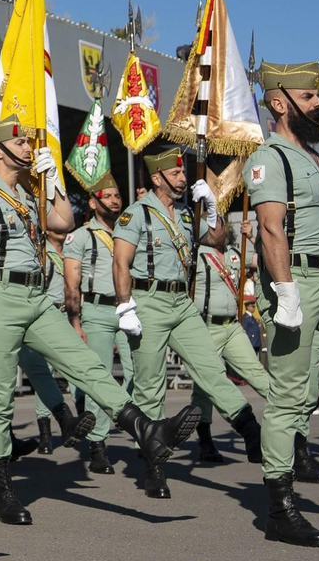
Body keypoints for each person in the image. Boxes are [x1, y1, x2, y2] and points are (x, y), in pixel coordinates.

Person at [0, 117, 198, 525]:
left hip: (34, 297)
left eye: (28, 141)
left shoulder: (26, 194)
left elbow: (63, 223)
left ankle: (145, 430)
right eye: (20, 142)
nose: (29, 147)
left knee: (87, 364)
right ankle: (2, 489)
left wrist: (54, 181)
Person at [111, 147, 262, 500]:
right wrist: (125, 305)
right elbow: (120, 262)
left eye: (183, 173)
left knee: (211, 368)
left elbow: (217, 239)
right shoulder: (136, 214)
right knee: (150, 386)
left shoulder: (184, 213)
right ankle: (155, 468)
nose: (183, 179)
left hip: (181, 302)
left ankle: (250, 429)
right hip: (148, 301)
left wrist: (212, 208)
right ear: (157, 177)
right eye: (175, 173)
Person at [244, 60, 319, 546]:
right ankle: (280, 511)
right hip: (296, 283)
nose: (318, 103)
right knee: (287, 397)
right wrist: (285, 293)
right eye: (309, 97)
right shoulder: (270, 159)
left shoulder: (314, 157)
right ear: (280, 102)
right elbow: (270, 229)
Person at [61, 173, 130, 474]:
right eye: (108, 196)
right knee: (99, 378)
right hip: (96, 309)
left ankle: (130, 421)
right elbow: (71, 283)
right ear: (93, 203)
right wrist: (75, 321)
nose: (114, 200)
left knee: (139, 373)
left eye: (117, 195)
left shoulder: (128, 231)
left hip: (127, 309)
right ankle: (98, 444)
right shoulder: (81, 236)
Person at [189, 224, 273, 464]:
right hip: (205, 327)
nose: (223, 227)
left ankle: (288, 412)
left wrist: (253, 237)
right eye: (217, 224)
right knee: (205, 388)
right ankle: (205, 441)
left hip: (232, 326)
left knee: (256, 371)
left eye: (223, 223)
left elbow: (260, 260)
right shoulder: (195, 255)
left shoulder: (236, 252)